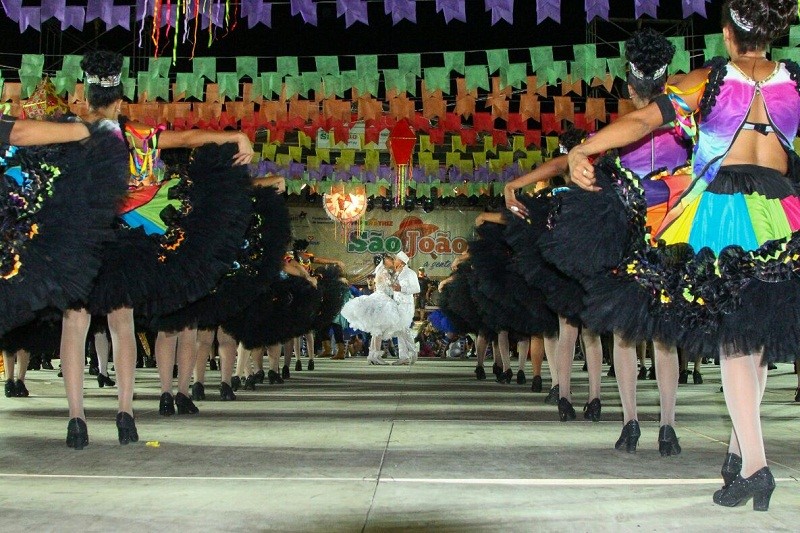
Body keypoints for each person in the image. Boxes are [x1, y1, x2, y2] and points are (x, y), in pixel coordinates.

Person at [567, 0, 799, 510]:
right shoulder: (796, 81)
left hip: (723, 213)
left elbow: (645, 120)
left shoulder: (707, 79)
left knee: (734, 342)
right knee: (755, 338)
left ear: (726, 34)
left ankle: (756, 467)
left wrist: (583, 149)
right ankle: (739, 453)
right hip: (783, 209)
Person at [60, 50, 254, 449]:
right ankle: (125, 414)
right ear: (120, 101)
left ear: (85, 97)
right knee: (122, 325)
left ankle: (76, 418)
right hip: (127, 239)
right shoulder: (139, 136)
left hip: (79, 238)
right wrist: (234, 134)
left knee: (75, 323)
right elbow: (187, 138)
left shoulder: (70, 134)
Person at [340, 254, 403, 365]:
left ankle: (373, 355)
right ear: (383, 261)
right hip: (381, 301)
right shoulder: (383, 272)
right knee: (378, 331)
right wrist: (397, 274)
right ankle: (375, 356)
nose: (391, 260)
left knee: (376, 331)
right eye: (389, 259)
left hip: (382, 299)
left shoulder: (383, 271)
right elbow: (392, 285)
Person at [390, 251, 421, 365]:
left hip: (406, 305)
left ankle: (413, 350)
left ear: (401, 262)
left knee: (404, 329)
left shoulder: (410, 273)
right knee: (399, 330)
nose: (394, 261)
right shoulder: (396, 273)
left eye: (396, 259)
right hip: (397, 304)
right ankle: (403, 357)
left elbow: (417, 289)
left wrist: (401, 289)